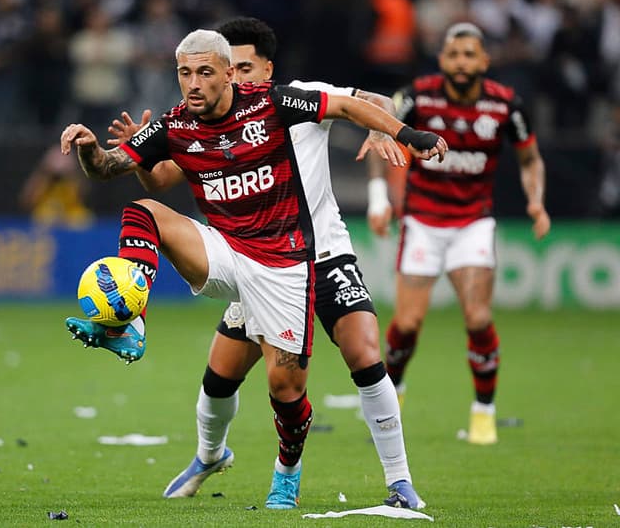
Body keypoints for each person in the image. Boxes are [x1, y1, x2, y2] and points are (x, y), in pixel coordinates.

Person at [60, 29, 447, 509]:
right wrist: (89, 148)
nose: (194, 83)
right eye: (185, 73)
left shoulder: (281, 101)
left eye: (209, 72)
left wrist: (402, 133)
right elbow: (116, 168)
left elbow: (356, 104)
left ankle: (303, 472)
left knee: (291, 385)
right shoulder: (177, 124)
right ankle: (130, 323)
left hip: (294, 262)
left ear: (245, 72)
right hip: (228, 251)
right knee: (144, 214)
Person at [368, 22, 550, 445]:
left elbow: (530, 159)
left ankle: (483, 412)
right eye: (454, 54)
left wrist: (536, 201)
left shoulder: (506, 105)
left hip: (473, 223)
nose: (462, 62)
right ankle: (393, 398)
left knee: (479, 318)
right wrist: (380, 198)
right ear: (442, 60)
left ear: (484, 61)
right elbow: (379, 134)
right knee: (406, 325)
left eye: (470, 55)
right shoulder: (417, 96)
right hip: (422, 222)